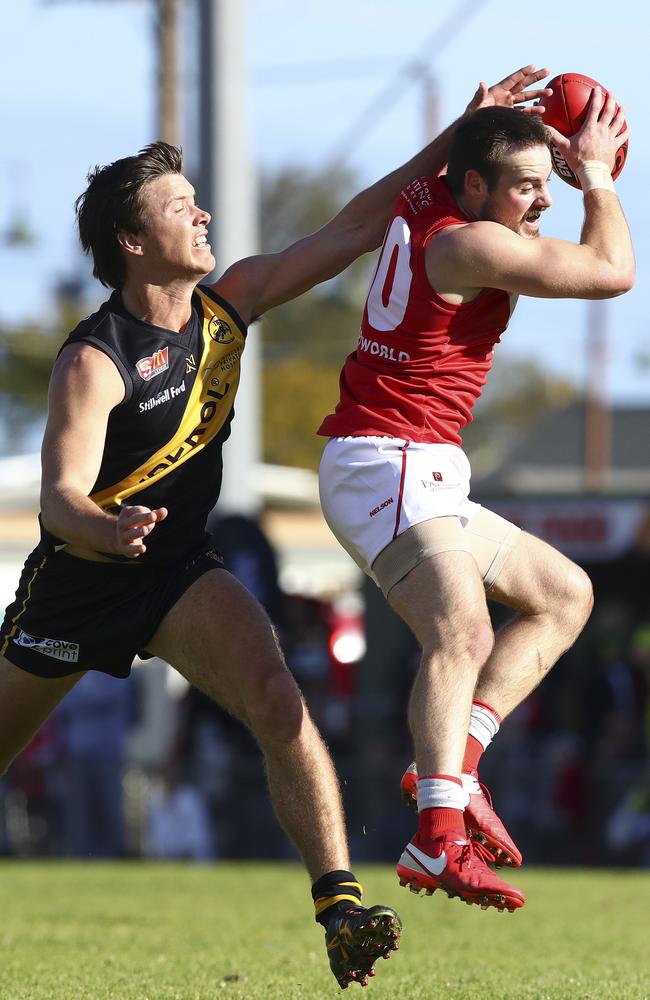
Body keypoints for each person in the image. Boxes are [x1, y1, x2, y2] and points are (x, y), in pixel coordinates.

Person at [0, 64, 550, 988]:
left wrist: (460, 138)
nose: (204, 216)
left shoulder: (232, 302)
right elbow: (58, 497)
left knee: (278, 701)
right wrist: (104, 525)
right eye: (182, 207)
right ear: (135, 241)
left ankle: (340, 906)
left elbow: (351, 229)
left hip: (177, 573)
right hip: (83, 578)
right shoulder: (93, 360)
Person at [318, 87, 634, 912]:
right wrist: (596, 175)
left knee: (566, 595)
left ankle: (450, 760)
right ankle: (435, 836)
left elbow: (377, 201)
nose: (545, 198)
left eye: (551, 182)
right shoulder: (469, 245)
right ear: (473, 190)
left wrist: (467, 128)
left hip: (417, 463)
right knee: (461, 631)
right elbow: (612, 272)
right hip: (385, 459)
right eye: (528, 184)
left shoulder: (428, 195)